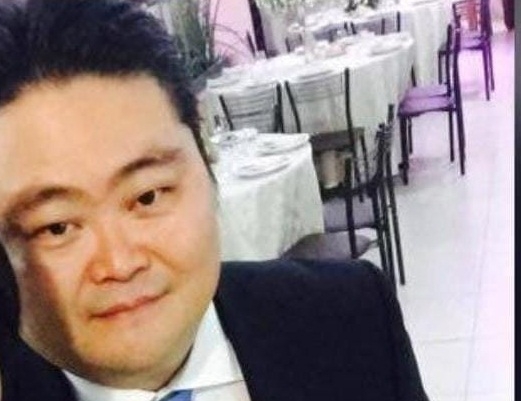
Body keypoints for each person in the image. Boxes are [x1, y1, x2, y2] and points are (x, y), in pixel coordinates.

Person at [0, 1, 429, 400]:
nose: (120, 263)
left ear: (207, 161)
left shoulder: (350, 318)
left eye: (147, 196)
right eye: (56, 227)